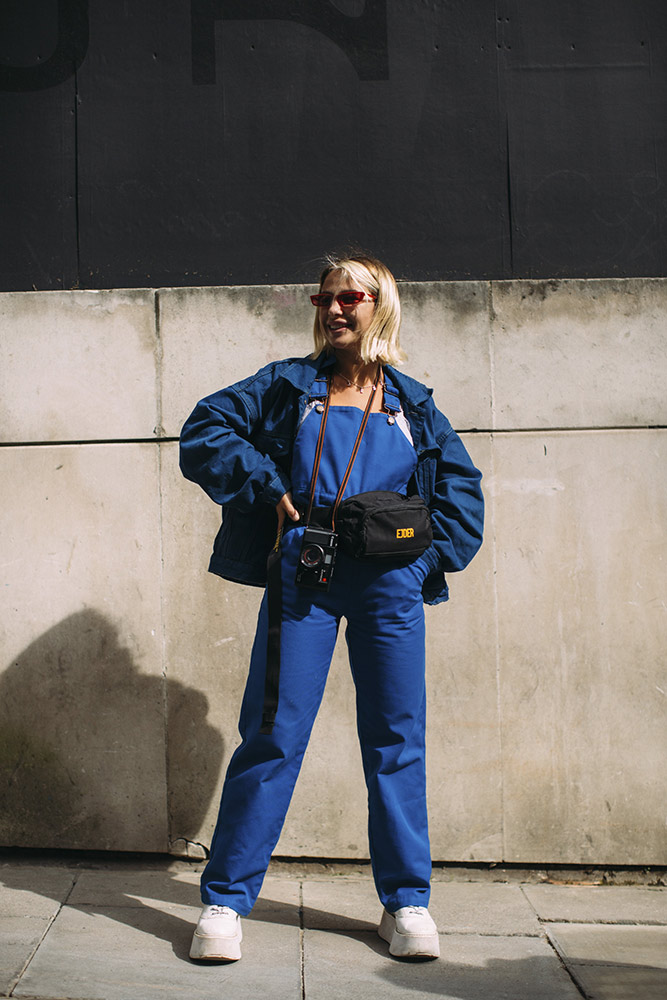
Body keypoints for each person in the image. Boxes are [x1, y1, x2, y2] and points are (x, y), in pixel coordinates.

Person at [179, 253, 484, 962]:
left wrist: (424, 564)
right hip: (305, 575)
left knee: (396, 740)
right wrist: (262, 483)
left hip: (389, 583)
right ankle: (225, 903)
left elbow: (461, 491)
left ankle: (406, 903)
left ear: (382, 306)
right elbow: (205, 431)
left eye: (352, 296)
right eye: (325, 297)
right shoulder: (287, 386)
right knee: (273, 734)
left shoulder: (411, 402)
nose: (336, 307)